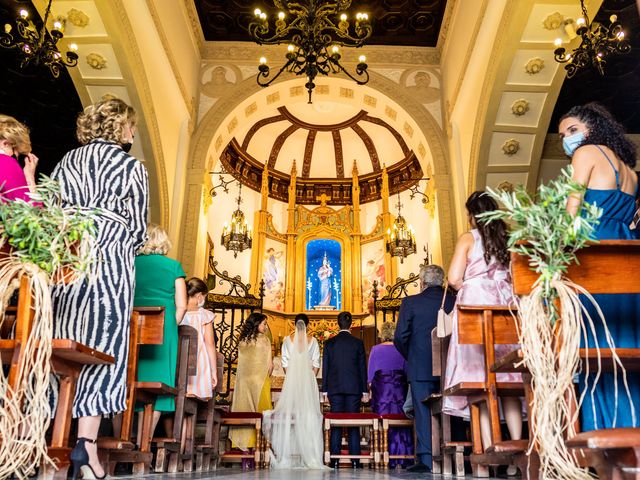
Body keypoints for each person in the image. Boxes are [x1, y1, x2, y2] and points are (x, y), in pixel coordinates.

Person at [51, 98, 148, 479]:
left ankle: (53, 437)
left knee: (64, 343)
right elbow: (139, 230)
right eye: (132, 125)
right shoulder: (131, 167)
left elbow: (52, 212)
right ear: (122, 127)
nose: (134, 132)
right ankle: (86, 447)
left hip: (70, 260)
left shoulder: (66, 163)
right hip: (110, 265)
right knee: (104, 349)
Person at [560, 103, 640, 430]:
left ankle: (602, 433)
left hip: (592, 252)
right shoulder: (630, 172)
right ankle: (631, 426)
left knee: (594, 342)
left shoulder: (586, 153)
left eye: (572, 130)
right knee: (625, 341)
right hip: (625, 255)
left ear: (591, 129)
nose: (567, 139)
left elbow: (572, 210)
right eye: (563, 135)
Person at [442, 191, 523, 469]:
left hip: (477, 307)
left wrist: (473, 279)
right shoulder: (508, 238)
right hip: (507, 308)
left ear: (472, 215)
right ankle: (516, 455)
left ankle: (490, 453)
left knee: (481, 382)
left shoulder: (469, 237)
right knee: (509, 380)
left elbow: (453, 278)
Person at [394, 265, 455, 473]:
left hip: (420, 366)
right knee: (451, 407)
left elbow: (400, 337)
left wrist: (411, 356)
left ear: (422, 282)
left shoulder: (411, 302)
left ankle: (427, 459)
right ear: (443, 280)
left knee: (423, 411)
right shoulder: (453, 301)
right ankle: (455, 456)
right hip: (451, 366)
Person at [134, 224, 187, 439]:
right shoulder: (173, 267)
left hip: (132, 327)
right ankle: (143, 441)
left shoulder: (132, 263)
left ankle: (121, 437)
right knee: (159, 384)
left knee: (129, 381)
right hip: (164, 330)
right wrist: (167, 326)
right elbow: (182, 304)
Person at [263, 319, 326, 469]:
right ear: (308, 325)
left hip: (292, 379)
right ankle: (309, 452)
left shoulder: (287, 340)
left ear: (294, 325)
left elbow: (284, 362)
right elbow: (316, 363)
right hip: (308, 380)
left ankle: (289, 451)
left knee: (291, 413)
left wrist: (291, 375)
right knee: (308, 414)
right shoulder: (313, 341)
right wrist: (309, 376)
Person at [321, 311, 367, 468]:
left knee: (336, 424)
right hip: (354, 389)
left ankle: (334, 460)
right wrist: (364, 391)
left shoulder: (329, 343)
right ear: (351, 324)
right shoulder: (358, 343)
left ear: (337, 323)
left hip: (334, 389)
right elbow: (362, 369)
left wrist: (325, 391)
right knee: (354, 423)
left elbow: (325, 368)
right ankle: (355, 460)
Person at [229, 312, 273, 464]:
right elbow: (270, 366)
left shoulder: (242, 341)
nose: (266, 327)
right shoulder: (265, 340)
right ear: (257, 324)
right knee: (261, 415)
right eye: (264, 324)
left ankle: (245, 453)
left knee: (245, 412)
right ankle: (259, 451)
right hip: (260, 382)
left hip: (244, 383)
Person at [369, 321, 412, 468]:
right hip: (399, 393)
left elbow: (370, 377)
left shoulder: (375, 349)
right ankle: (403, 456)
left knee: (382, 423)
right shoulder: (402, 350)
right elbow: (408, 373)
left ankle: (382, 455)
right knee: (401, 422)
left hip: (382, 395)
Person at [179, 277, 218, 399]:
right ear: (200, 296)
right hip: (198, 365)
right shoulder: (205, 315)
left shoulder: (178, 312)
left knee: (178, 398)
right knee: (193, 401)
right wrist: (214, 371)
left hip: (179, 362)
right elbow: (210, 344)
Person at [0, 114, 38, 202]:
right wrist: (30, 178)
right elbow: (32, 212)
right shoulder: (6, 163)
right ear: (5, 144)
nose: (15, 161)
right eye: (15, 155)